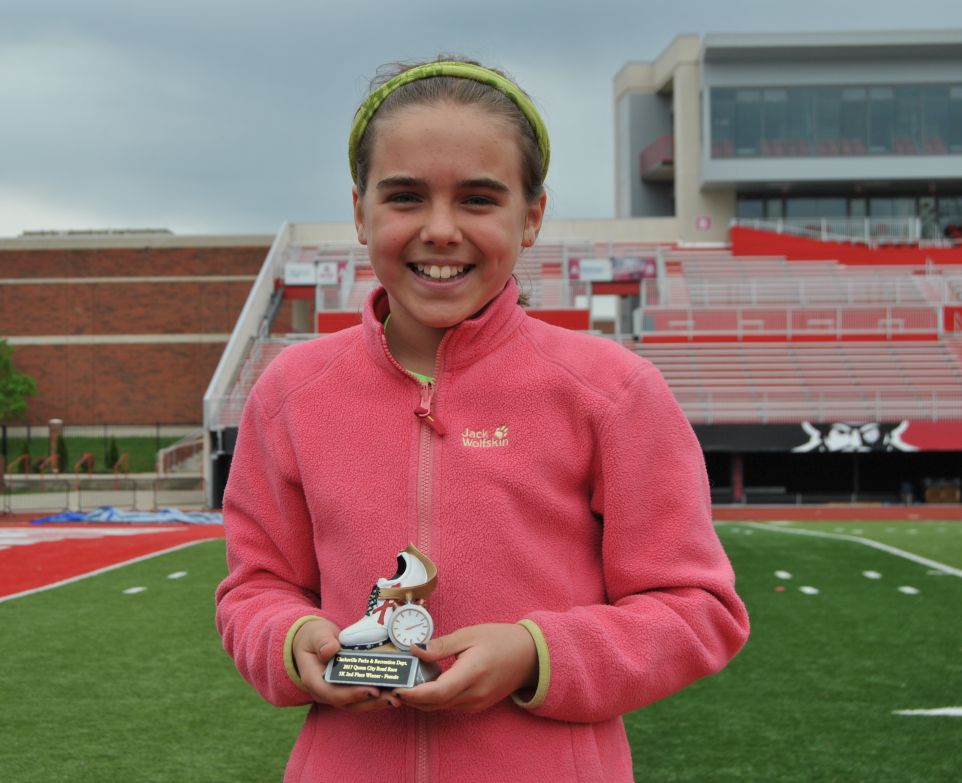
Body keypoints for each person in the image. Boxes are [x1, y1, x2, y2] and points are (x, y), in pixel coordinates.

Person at [215, 57, 749, 782]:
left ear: (531, 216)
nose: (440, 230)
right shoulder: (290, 391)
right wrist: (292, 637)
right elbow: (254, 588)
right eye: (406, 197)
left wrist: (536, 653)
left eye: (477, 199)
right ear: (361, 212)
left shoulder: (613, 392)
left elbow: (698, 609)